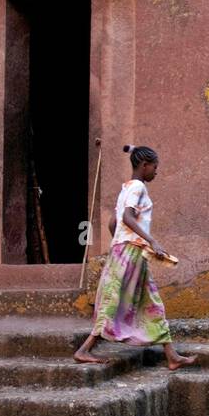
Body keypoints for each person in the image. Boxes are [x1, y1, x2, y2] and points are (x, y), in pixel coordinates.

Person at [73, 144, 198, 370]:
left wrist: (121, 242)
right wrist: (151, 241)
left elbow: (115, 222)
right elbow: (128, 219)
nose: (156, 172)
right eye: (155, 167)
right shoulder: (138, 187)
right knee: (113, 302)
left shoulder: (126, 189)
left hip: (126, 251)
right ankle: (84, 349)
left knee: (150, 302)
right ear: (144, 165)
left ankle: (172, 356)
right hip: (131, 251)